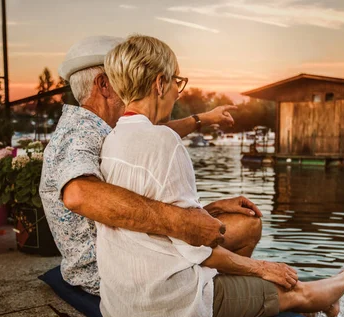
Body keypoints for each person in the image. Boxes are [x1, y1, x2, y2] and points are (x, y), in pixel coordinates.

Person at [96, 34, 344, 317]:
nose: (177, 93)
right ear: (159, 84)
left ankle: (268, 297)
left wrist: (216, 209)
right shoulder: (164, 143)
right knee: (296, 290)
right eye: (175, 83)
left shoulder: (112, 140)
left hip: (121, 304)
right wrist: (262, 267)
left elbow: (154, 218)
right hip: (169, 310)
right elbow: (199, 249)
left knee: (244, 244)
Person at [40, 36, 266, 295]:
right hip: (111, 273)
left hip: (127, 254)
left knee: (234, 221)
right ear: (103, 84)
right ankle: (224, 294)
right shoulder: (79, 133)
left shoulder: (96, 127)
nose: (135, 86)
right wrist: (184, 222)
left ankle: (226, 287)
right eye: (126, 77)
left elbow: (149, 134)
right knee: (248, 226)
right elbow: (78, 195)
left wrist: (203, 120)